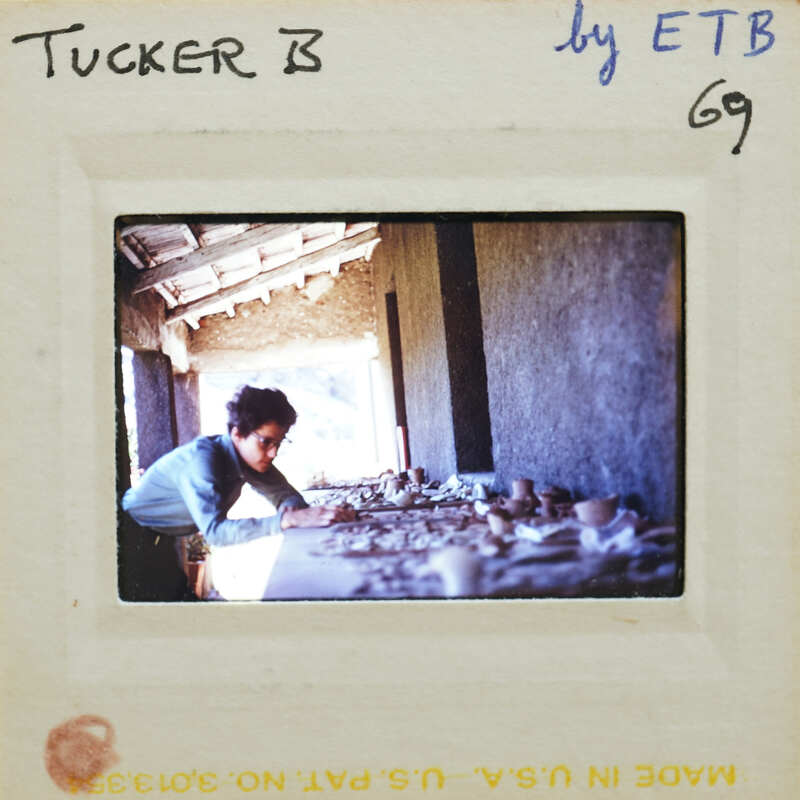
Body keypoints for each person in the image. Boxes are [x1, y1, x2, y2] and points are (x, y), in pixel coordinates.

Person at [119, 385, 354, 601]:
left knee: (181, 604)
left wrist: (298, 511)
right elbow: (216, 533)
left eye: (279, 443)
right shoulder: (203, 460)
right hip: (130, 535)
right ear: (237, 433)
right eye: (266, 442)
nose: (273, 453)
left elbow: (286, 495)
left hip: (161, 534)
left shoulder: (250, 457)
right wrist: (287, 520)